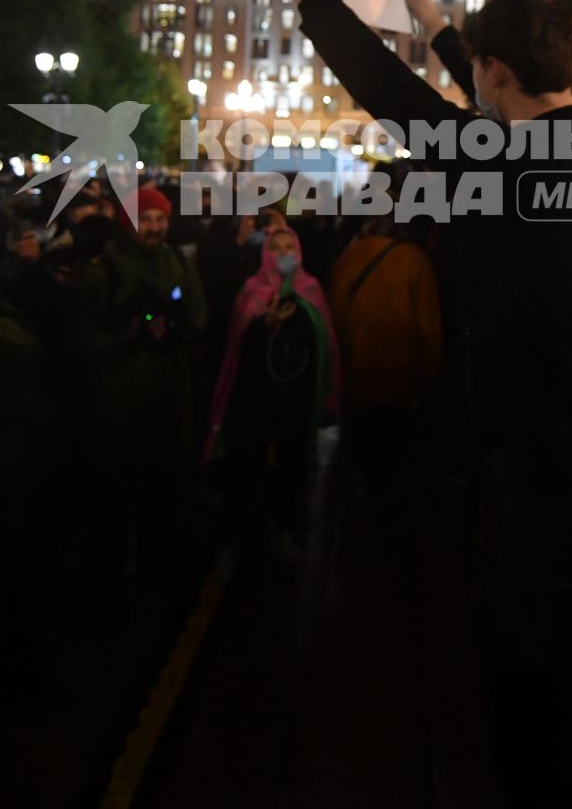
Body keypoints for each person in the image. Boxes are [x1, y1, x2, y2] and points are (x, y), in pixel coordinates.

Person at [277, 0, 572, 806]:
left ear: (495, 73)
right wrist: (444, 30)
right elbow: (488, 114)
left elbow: (391, 97)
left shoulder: (509, 165)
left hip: (534, 483)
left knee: (539, 715)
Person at [75, 186, 209, 590]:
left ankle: (157, 569)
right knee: (119, 501)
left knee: (162, 497)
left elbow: (200, 314)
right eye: (145, 219)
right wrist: (131, 336)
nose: (153, 228)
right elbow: (83, 338)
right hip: (123, 405)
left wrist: (177, 326)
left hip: (170, 400)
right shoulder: (102, 271)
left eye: (160, 220)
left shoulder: (177, 263)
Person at [204, 224, 341, 545]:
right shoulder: (252, 291)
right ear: (265, 253)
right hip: (258, 396)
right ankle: (244, 523)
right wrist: (264, 323)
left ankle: (286, 522)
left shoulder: (310, 289)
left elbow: (325, 343)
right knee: (250, 458)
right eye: (276, 248)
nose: (283, 254)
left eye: (288, 248)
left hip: (296, 396)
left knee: (292, 462)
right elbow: (239, 346)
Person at [327, 215, 442, 499]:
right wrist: (430, 372)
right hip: (402, 376)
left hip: (359, 372)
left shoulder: (352, 256)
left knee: (363, 441)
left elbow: (337, 315)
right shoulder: (416, 260)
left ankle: (363, 490)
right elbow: (430, 328)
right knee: (394, 445)